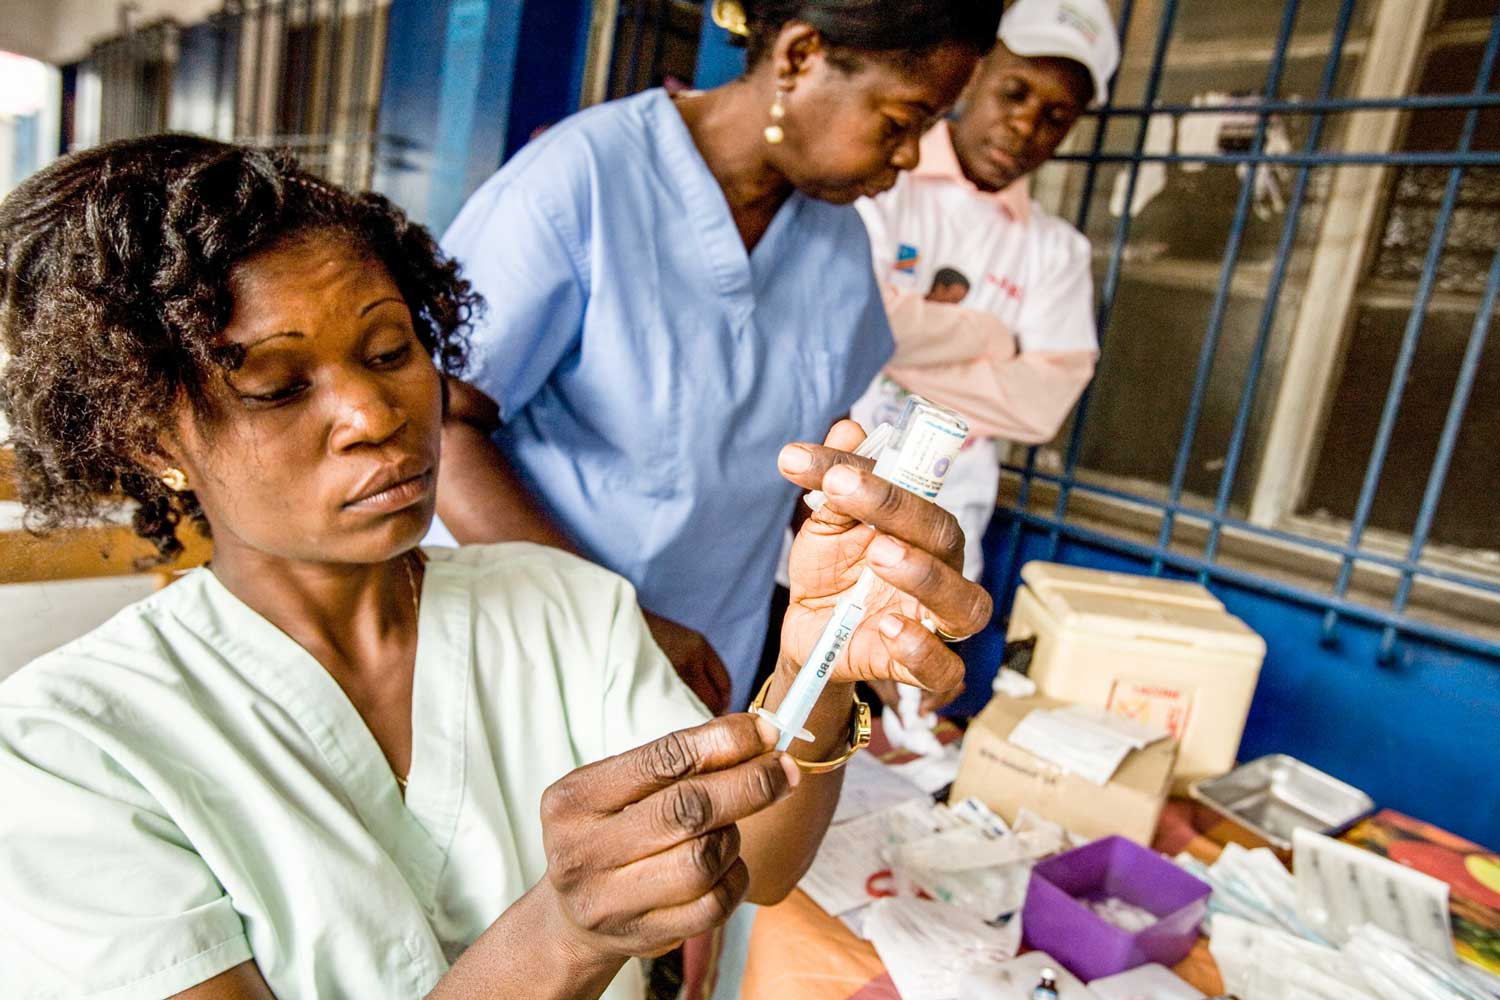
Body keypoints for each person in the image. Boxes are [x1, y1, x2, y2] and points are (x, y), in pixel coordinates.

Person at [0, 137, 992, 1000]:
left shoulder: (562, 606)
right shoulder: (69, 748)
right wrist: (565, 936)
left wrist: (815, 670)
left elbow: (761, 860)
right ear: (148, 440)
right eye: (278, 385)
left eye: (391, 351)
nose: (374, 415)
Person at [434, 0, 1002, 713]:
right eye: (899, 121)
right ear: (799, 57)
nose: (911, 156)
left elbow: (822, 467)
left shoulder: (838, 246)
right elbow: (442, 429)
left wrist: (870, 598)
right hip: (529, 651)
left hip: (704, 669)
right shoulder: (583, 183)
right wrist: (615, 623)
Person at [853, 0, 1120, 584]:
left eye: (1055, 117)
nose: (1026, 126)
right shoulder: (883, 178)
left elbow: (1041, 404)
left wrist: (891, 350)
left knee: (901, 667)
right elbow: (856, 321)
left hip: (940, 541)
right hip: (819, 513)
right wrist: (989, 335)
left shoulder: (1057, 252)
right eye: (1015, 93)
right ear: (975, 74)